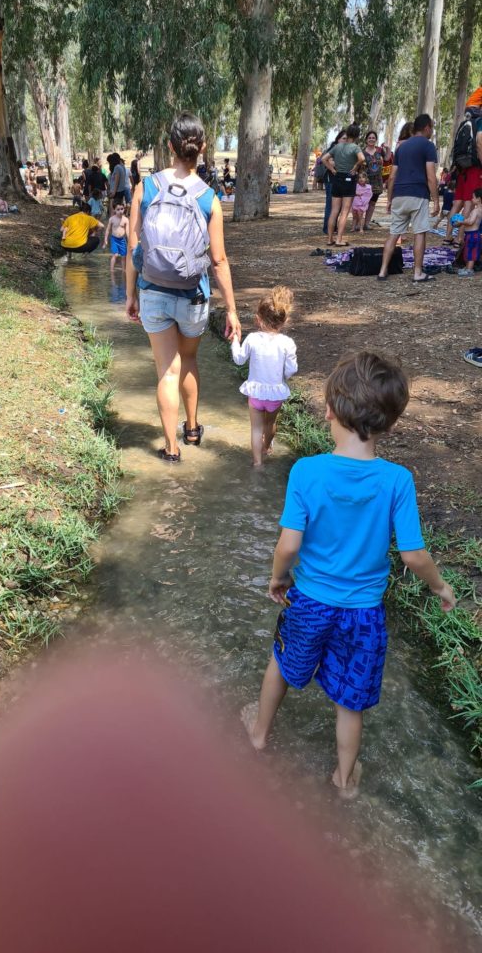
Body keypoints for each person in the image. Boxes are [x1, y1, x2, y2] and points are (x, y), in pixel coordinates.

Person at [241, 351, 456, 798]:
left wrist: (278, 578)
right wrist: (440, 586)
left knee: (281, 663)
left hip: (311, 603)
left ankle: (259, 734)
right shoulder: (398, 481)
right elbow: (414, 555)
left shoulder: (307, 471)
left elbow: (290, 544)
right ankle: (343, 781)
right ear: (390, 425)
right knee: (350, 700)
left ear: (329, 410)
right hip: (364, 614)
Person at [125, 111, 241, 462]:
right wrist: (232, 310)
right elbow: (219, 261)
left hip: (153, 290)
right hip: (193, 294)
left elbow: (134, 245)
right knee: (188, 359)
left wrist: (131, 294)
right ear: (202, 148)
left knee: (167, 370)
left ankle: (170, 449)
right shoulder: (209, 198)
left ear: (169, 146)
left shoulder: (146, 187)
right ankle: (192, 429)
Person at [230, 287, 297, 467]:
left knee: (256, 428)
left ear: (258, 319)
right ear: (284, 321)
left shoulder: (252, 338)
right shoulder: (287, 343)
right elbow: (292, 369)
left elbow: (239, 359)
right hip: (275, 394)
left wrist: (235, 340)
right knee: (270, 425)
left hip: (256, 393)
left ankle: (257, 463)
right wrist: (284, 375)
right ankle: (267, 448)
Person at [378, 114, 439, 283]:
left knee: (394, 233)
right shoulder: (428, 146)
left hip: (399, 194)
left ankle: (383, 271)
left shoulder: (401, 148)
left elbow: (391, 177)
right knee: (419, 233)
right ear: (427, 127)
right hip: (418, 194)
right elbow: (431, 177)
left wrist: (390, 199)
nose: (431, 132)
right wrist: (436, 200)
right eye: (432, 128)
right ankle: (418, 273)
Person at [443, 108, 482, 247]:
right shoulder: (478, 124)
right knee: (469, 204)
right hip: (474, 169)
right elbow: (479, 144)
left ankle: (447, 237)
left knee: (457, 203)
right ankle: (460, 239)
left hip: (462, 170)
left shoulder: (464, 124)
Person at [322, 124, 365, 246]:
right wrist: (355, 167)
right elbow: (362, 159)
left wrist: (332, 169)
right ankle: (339, 239)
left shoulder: (338, 146)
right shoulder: (355, 147)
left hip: (337, 178)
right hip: (349, 178)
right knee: (345, 212)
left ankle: (330, 239)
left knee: (334, 210)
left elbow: (324, 159)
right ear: (357, 135)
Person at [320, 129, 347, 235]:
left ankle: (333, 227)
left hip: (340, 180)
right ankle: (327, 228)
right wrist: (333, 169)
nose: (345, 141)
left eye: (347, 139)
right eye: (343, 138)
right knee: (330, 204)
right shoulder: (334, 148)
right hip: (331, 179)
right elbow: (326, 160)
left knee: (338, 205)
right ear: (338, 139)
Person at [457, 186, 482, 277]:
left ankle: (469, 270)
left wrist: (462, 222)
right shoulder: (480, 210)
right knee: (470, 251)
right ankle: (467, 267)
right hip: (474, 235)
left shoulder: (475, 211)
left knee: (471, 253)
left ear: (478, 199)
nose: (472, 199)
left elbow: (471, 222)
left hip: (472, 235)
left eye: (473, 197)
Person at [361, 130, 383, 229]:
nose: (371, 139)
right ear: (366, 140)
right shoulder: (362, 152)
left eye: (373, 138)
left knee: (372, 203)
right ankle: (359, 224)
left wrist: (387, 148)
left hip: (377, 181)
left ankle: (367, 223)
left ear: (376, 140)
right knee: (363, 202)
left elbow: (386, 160)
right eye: (369, 138)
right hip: (365, 182)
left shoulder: (380, 151)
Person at [103, 200, 129, 277]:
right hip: (114, 239)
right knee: (115, 255)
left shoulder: (125, 220)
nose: (120, 211)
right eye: (118, 209)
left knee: (124, 256)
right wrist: (105, 239)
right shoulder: (112, 219)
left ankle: (124, 270)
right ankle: (111, 270)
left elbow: (127, 231)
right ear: (114, 210)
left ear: (124, 209)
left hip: (122, 240)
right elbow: (108, 229)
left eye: (122, 209)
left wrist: (129, 240)